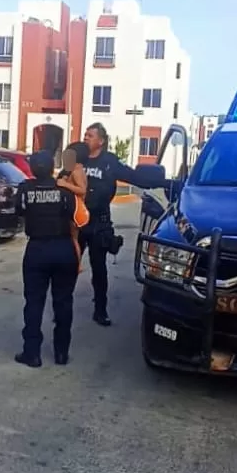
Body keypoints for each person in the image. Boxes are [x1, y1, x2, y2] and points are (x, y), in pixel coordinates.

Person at [15, 150, 88, 368]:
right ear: (51, 168)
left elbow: (18, 210)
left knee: (34, 302)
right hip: (63, 248)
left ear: (32, 169)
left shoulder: (25, 189)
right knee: (64, 302)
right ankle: (61, 353)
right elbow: (79, 219)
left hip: (37, 249)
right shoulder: (65, 190)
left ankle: (32, 353)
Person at [81, 122, 147, 327]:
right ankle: (61, 307)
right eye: (85, 135)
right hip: (76, 222)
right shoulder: (77, 159)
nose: (85, 138)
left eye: (90, 135)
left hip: (99, 224)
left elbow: (134, 177)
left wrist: (162, 182)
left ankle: (100, 310)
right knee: (66, 266)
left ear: (101, 141)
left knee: (99, 269)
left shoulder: (109, 161)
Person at [56, 141, 89, 271]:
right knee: (71, 238)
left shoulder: (77, 171)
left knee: (73, 239)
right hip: (74, 208)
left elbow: (82, 190)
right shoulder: (73, 170)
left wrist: (64, 185)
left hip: (76, 210)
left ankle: (78, 265)